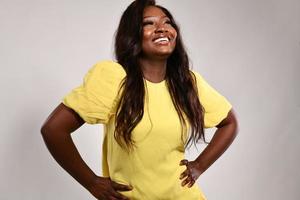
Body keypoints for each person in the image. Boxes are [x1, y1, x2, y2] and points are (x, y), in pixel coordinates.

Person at [41, 0, 238, 199]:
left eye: (167, 22)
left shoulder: (188, 83)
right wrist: (92, 182)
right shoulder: (114, 78)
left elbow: (229, 123)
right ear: (132, 34)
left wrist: (199, 166)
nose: (162, 29)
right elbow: (53, 130)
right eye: (148, 23)